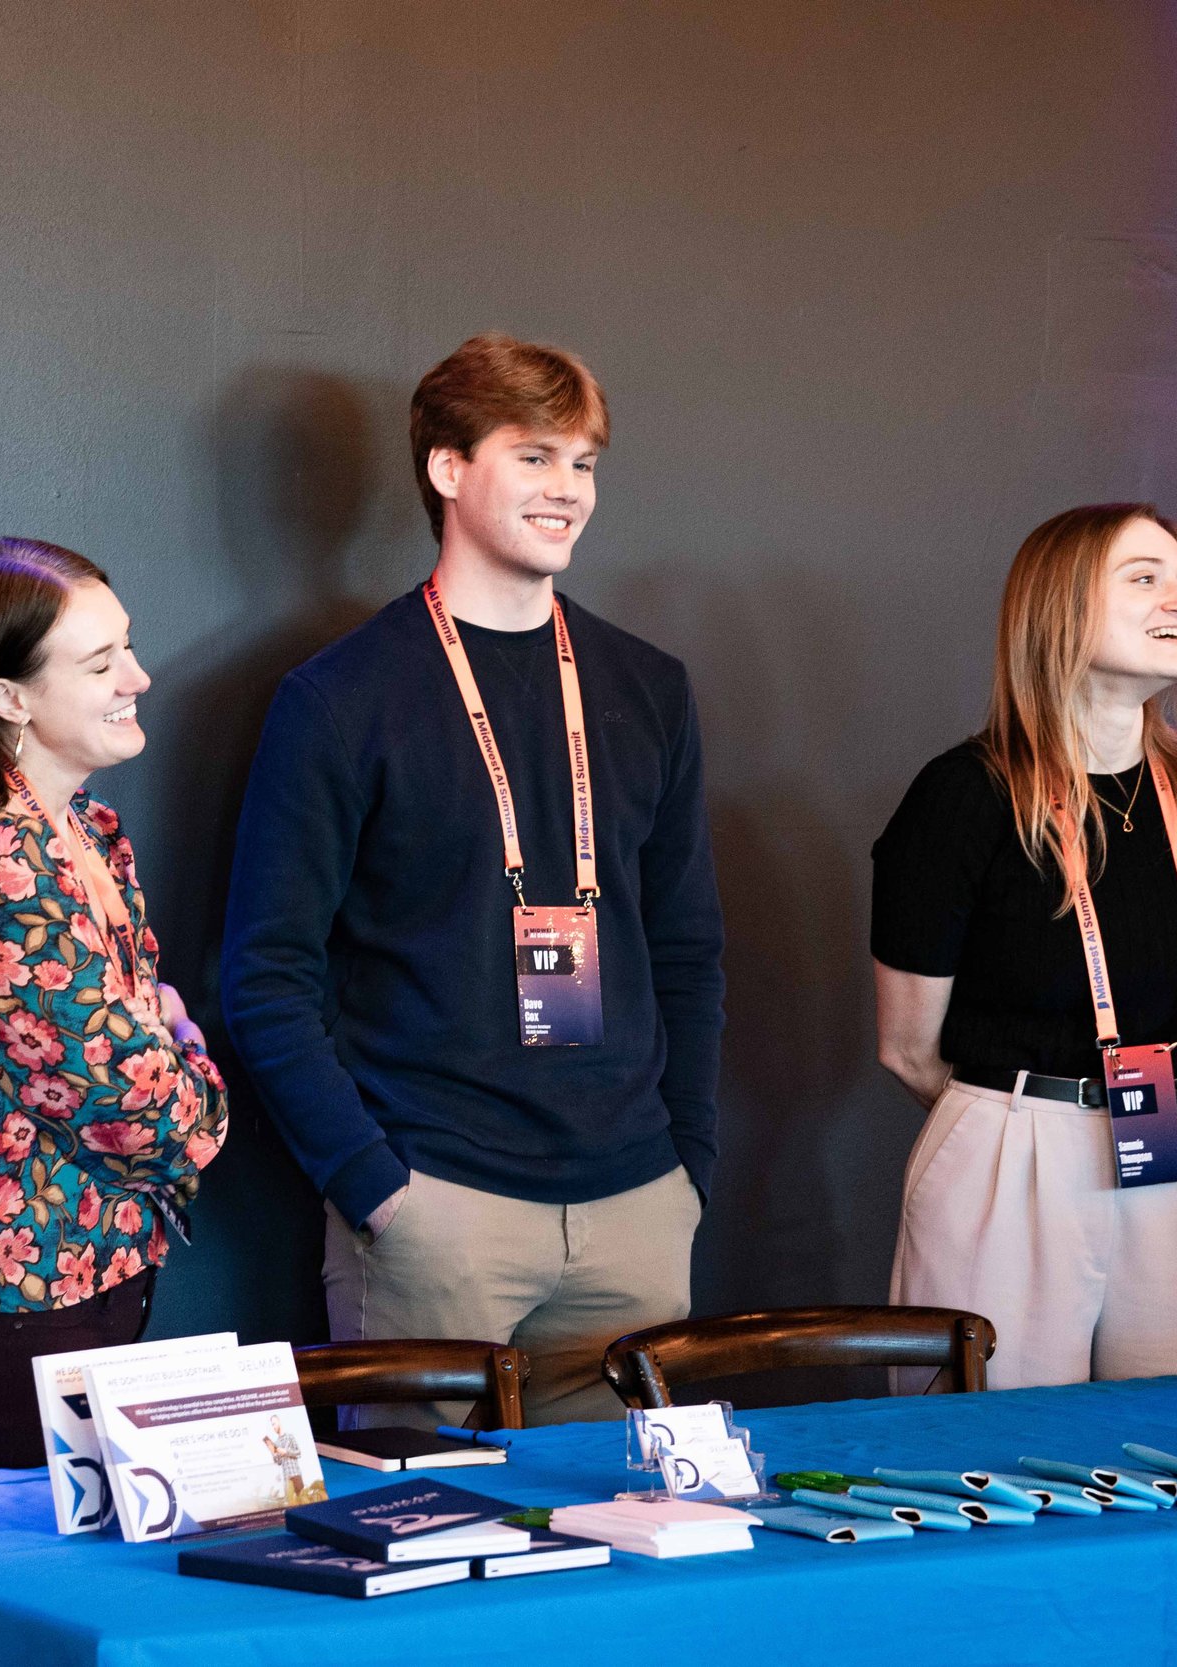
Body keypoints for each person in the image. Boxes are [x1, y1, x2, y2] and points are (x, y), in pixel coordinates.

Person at [221, 333, 725, 1424]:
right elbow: (264, 973)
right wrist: (374, 1186)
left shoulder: (648, 687)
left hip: (635, 1208)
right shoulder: (342, 698)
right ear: (448, 469)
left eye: (584, 462)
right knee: (417, 1552)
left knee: (621, 1554)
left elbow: (687, 946)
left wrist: (685, 1163)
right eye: (534, 456)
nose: (568, 491)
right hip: (436, 1208)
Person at [871, 503, 1177, 1390]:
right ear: (1059, 610)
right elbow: (906, 1048)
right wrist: (1034, 1116)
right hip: (1012, 1146)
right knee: (983, 1449)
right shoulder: (963, 795)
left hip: (1172, 1136)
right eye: (1146, 577)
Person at [0, 536, 230, 1471]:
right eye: (101, 663)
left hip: (97, 1287)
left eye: (128, 648)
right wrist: (187, 1047)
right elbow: (146, 1113)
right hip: (5, 1315)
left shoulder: (89, 833)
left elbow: (141, 1056)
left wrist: (166, 1039)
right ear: (9, 697)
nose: (139, 676)